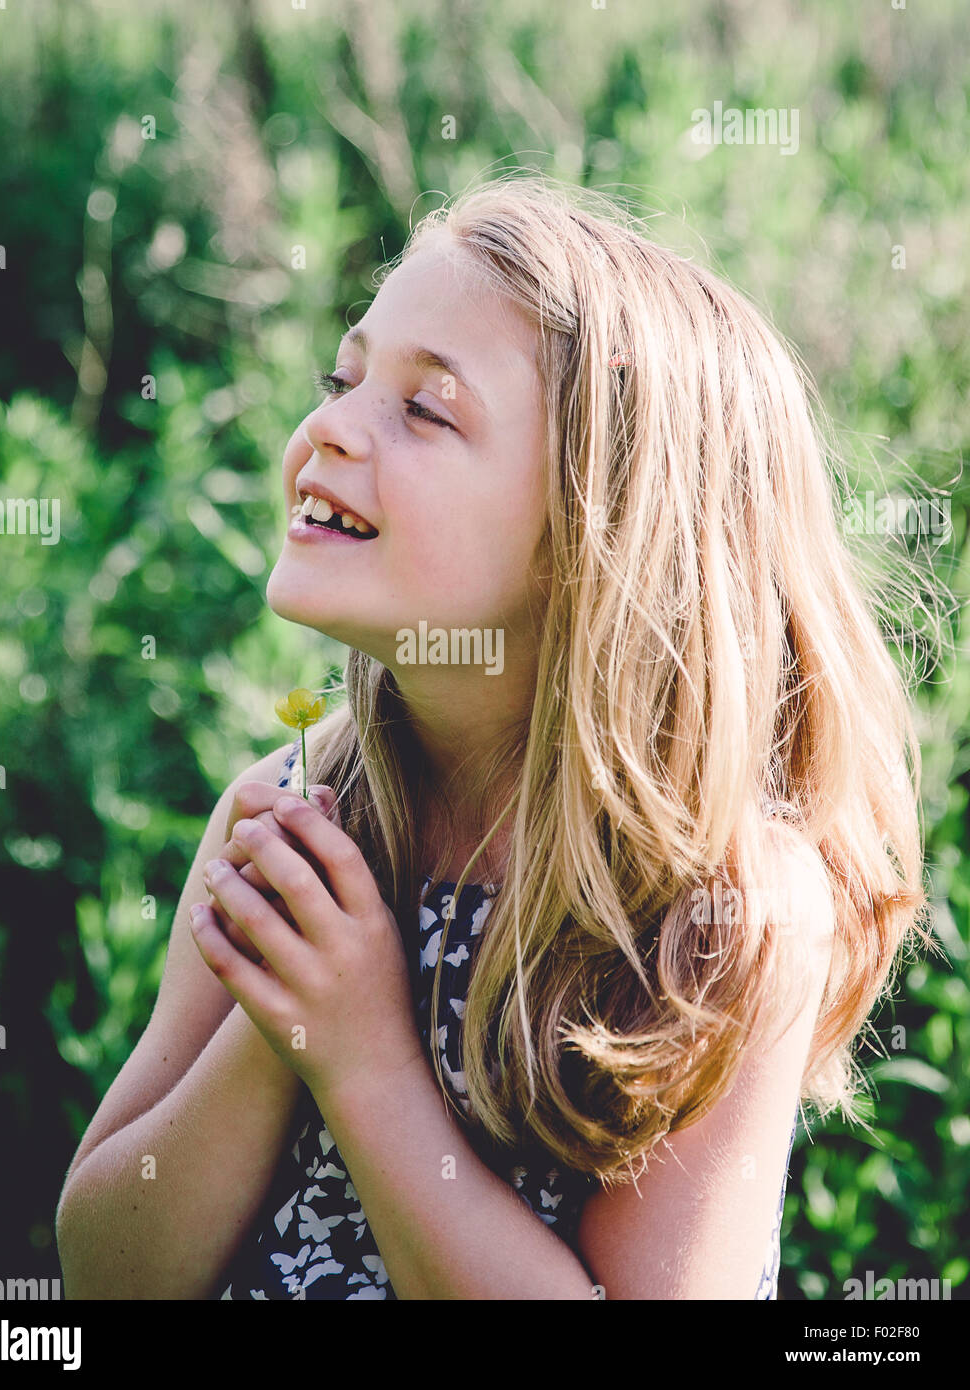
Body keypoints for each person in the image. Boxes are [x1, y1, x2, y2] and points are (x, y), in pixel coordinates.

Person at [56, 173, 929, 1300]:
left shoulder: (719, 912)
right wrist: (282, 1023)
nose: (326, 426)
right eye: (344, 377)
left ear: (593, 533)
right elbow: (102, 1278)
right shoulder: (288, 813)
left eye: (425, 409)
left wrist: (362, 1058)